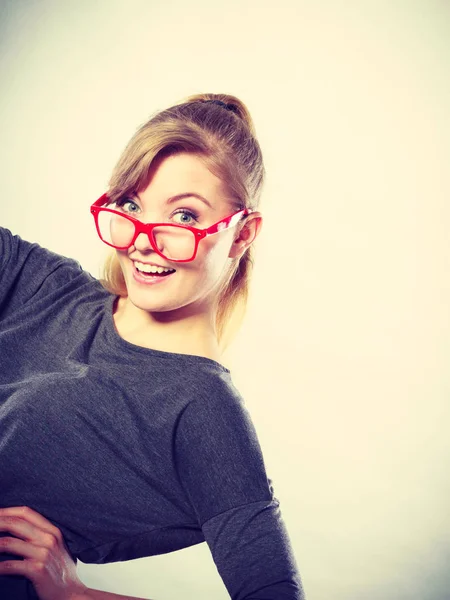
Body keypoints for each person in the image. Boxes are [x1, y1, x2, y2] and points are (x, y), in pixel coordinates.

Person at [0, 93, 306, 599]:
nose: (144, 240)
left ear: (243, 234)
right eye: (131, 205)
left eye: (184, 216)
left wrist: (76, 593)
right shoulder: (45, 286)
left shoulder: (204, 409)